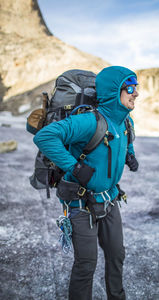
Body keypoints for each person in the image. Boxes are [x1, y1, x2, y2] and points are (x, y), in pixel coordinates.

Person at [33, 66, 139, 300]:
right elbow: (45, 137)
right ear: (114, 92)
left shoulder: (125, 121)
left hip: (110, 199)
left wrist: (130, 155)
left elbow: (126, 139)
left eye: (136, 88)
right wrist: (75, 167)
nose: (136, 93)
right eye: (130, 88)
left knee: (116, 255)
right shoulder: (89, 122)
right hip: (80, 204)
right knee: (86, 264)